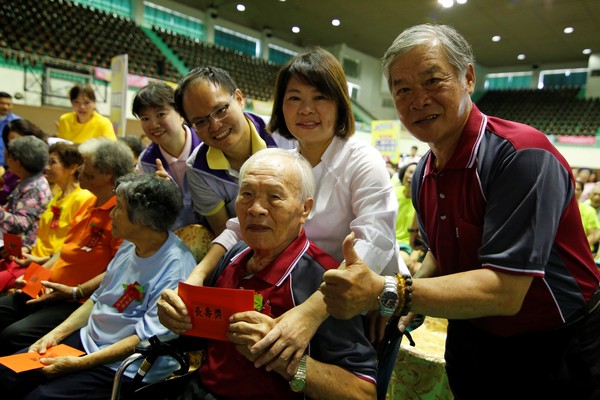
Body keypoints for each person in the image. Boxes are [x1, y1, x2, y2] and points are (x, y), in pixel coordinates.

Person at [320, 24, 600, 400]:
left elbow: (505, 290)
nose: (417, 100)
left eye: (432, 80)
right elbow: (444, 248)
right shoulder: (423, 174)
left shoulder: (520, 156)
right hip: (473, 337)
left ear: (468, 77)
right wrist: (408, 304)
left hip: (558, 345)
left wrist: (389, 291)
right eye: (402, 90)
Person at [161, 48, 405, 400]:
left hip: (352, 296)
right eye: (294, 98)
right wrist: (195, 279)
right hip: (305, 282)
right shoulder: (287, 157)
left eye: (319, 97)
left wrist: (311, 314)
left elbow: (375, 242)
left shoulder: (361, 158)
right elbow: (235, 225)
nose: (306, 109)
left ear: (339, 103)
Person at [159, 148, 377, 399]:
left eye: (274, 197)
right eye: (247, 194)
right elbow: (203, 339)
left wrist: (282, 360)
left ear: (304, 209)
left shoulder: (324, 281)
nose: (256, 209)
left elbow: (363, 392)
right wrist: (176, 318)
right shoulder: (234, 256)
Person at [0, 173, 197, 400]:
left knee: (38, 397)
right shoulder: (130, 245)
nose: (112, 214)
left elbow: (143, 341)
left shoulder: (176, 267)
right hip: (88, 340)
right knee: (7, 372)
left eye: (119, 208)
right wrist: (54, 335)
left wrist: (77, 364)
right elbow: (98, 298)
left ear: (143, 219)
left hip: (124, 364)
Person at [0, 138, 134, 355]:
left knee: (12, 335)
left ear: (107, 173)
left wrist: (75, 292)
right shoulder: (89, 202)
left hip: (75, 300)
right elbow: (65, 250)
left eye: (86, 164)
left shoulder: (120, 215)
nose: (80, 169)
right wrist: (34, 277)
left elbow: (118, 270)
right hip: (49, 287)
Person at [174, 66, 294, 237]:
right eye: (200, 122)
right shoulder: (198, 170)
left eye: (221, 110)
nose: (215, 125)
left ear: (239, 98)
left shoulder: (285, 135)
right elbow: (225, 233)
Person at [0, 142, 95, 291]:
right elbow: (46, 236)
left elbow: (69, 244)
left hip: (48, 266)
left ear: (72, 168)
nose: (47, 168)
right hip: (31, 259)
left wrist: (39, 261)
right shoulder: (58, 194)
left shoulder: (83, 198)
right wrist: (28, 249)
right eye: (47, 162)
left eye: (53, 163)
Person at [133, 82, 203, 231]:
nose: (153, 125)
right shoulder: (146, 163)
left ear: (181, 115)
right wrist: (158, 196)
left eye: (161, 115)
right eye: (145, 118)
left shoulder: (208, 147)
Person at [0, 136, 51, 258]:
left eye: (9, 157)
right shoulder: (27, 181)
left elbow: (21, 224)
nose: (7, 161)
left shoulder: (34, 187)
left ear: (18, 162)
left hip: (23, 250)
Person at [0, 119, 49, 205]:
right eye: (11, 142)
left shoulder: (39, 174)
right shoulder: (12, 169)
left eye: (19, 140)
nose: (15, 146)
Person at [394, 162, 422, 274]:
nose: (411, 176)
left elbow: (421, 237)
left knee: (400, 262)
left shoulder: (421, 199)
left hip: (406, 245)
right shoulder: (393, 192)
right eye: (410, 172)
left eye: (415, 173)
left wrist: (415, 254)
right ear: (403, 173)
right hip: (388, 241)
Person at [0, 92, 21, 167]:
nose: (5, 107)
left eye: (9, 104)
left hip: (8, 165)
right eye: (2, 103)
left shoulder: (17, 121)